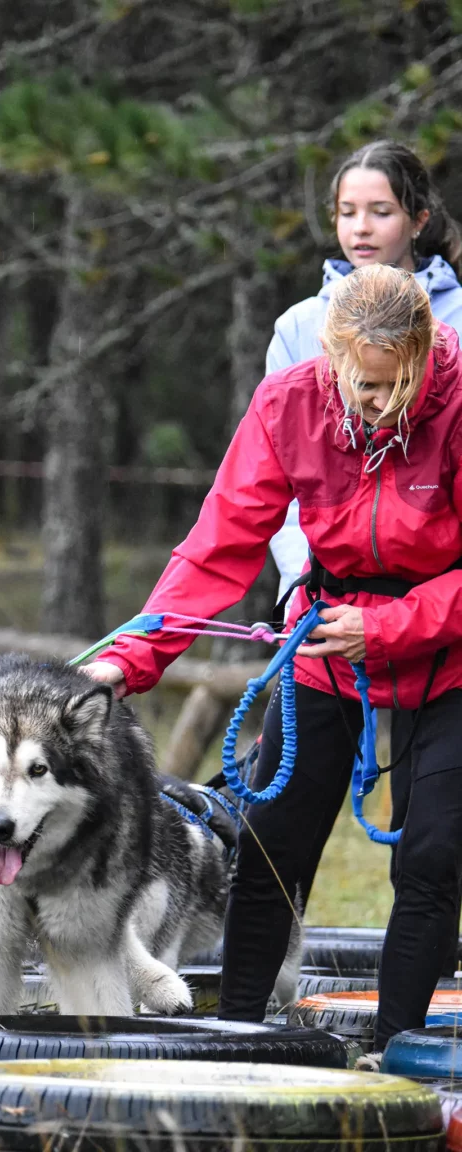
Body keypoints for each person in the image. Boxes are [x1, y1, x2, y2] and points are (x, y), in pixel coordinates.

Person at [84, 263, 462, 1055]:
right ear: (328, 355)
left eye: (398, 385)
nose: (380, 403)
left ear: (430, 352)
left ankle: (398, 1062)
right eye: (363, 385)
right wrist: (133, 658)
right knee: (267, 847)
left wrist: (391, 627)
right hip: (324, 638)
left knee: (431, 857)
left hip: (449, 651)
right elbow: (218, 546)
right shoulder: (288, 402)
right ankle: (236, 1041)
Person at [265, 141, 462, 926]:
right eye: (347, 212)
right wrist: (295, 580)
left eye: (379, 211)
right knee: (286, 797)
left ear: (417, 217)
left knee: (433, 824)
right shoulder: (298, 326)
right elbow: (274, 473)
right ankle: (262, 974)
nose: (360, 227)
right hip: (331, 595)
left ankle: (426, 979)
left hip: (439, 605)